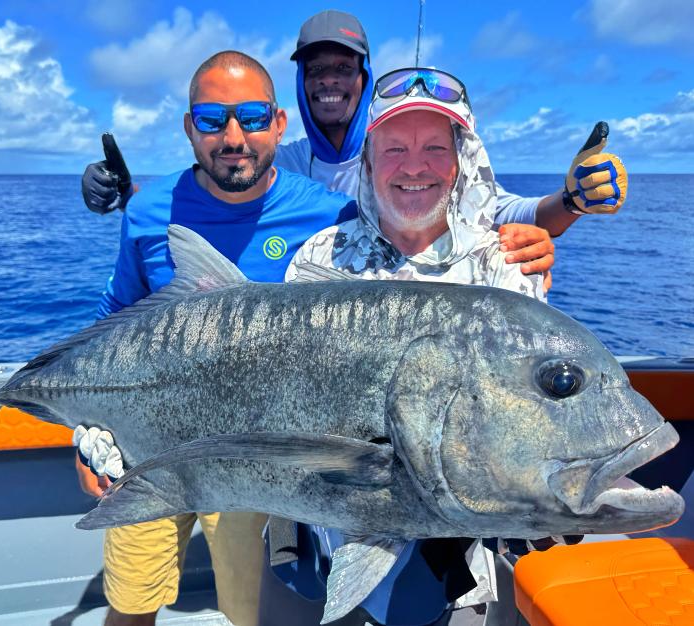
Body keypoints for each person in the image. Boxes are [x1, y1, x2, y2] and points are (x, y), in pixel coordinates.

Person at [273, 68, 566, 626]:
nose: (414, 166)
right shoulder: (316, 260)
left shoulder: (506, 265)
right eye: (394, 149)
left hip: (450, 560)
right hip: (333, 531)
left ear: (461, 161)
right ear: (367, 161)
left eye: (435, 146)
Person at [75, 50, 359, 626]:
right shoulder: (150, 210)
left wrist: (524, 239)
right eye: (212, 120)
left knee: (251, 612)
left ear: (279, 123)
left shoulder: (333, 216)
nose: (234, 137)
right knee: (130, 605)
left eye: (252, 117)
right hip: (147, 445)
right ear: (189, 128)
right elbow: (115, 320)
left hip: (256, 458)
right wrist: (87, 431)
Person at [82, 9, 627, 283]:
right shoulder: (288, 162)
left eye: (343, 69)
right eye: (317, 70)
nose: (330, 81)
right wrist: (128, 193)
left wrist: (572, 201)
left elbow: (504, 211)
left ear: (363, 78)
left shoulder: (421, 165)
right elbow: (226, 175)